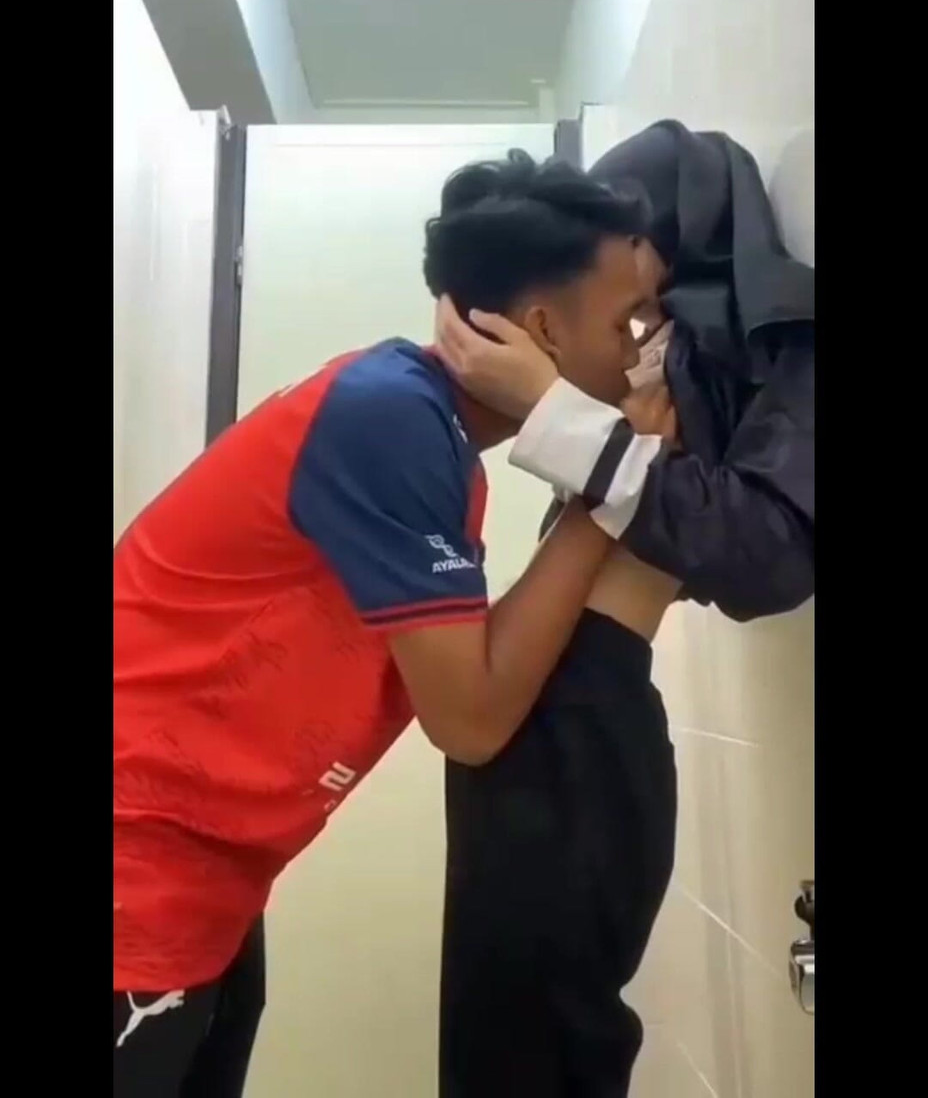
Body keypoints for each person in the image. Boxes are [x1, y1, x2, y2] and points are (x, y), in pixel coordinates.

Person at [112, 150, 671, 1098]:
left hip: (203, 876)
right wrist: (608, 478)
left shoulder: (428, 435)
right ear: (543, 329)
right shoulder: (391, 419)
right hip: (140, 869)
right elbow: (472, 716)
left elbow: (478, 672)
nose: (644, 349)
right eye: (631, 321)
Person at [433, 123, 814, 1096]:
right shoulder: (668, 365)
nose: (631, 336)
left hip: (584, 723)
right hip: (549, 720)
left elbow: (763, 553)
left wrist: (573, 424)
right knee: (498, 1031)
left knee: (541, 1042)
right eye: (626, 319)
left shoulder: (736, 359)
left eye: (638, 310)